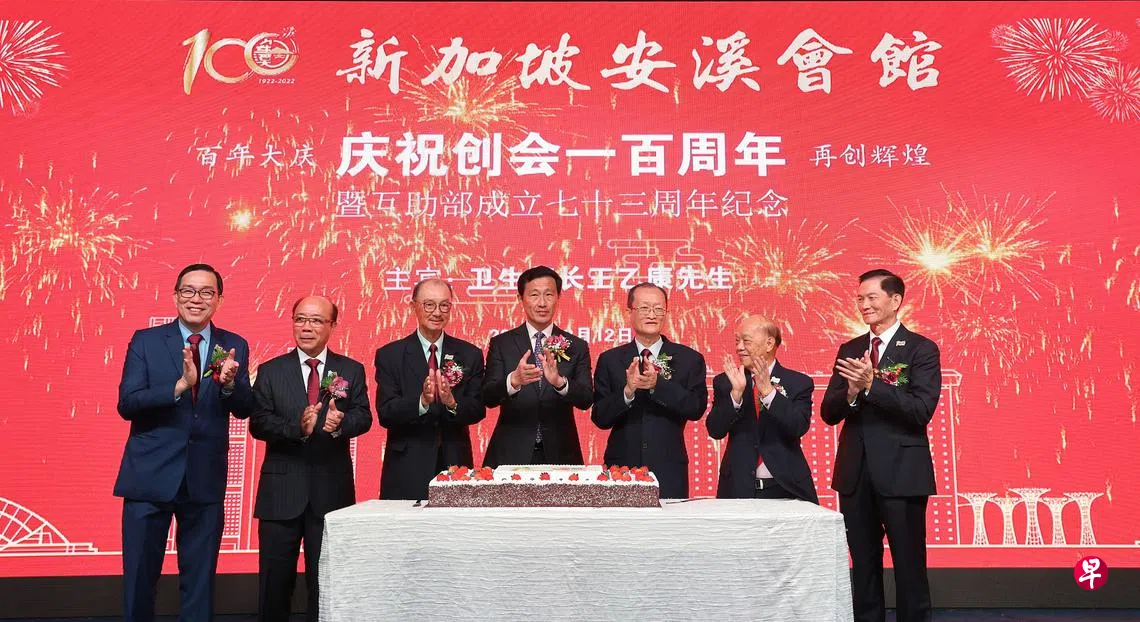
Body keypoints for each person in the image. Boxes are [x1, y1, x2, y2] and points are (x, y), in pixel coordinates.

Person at [115, 263, 254, 622]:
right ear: (176, 296)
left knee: (200, 582)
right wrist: (178, 387)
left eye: (207, 292)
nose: (197, 299)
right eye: (188, 291)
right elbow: (128, 403)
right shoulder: (146, 341)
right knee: (139, 579)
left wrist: (229, 385)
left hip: (204, 477)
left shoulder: (233, 345)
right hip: (149, 477)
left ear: (219, 300)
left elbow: (244, 409)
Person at [821, 269, 941, 622]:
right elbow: (829, 412)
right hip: (855, 474)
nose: (864, 305)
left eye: (872, 297)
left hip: (902, 475)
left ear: (895, 300)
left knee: (909, 564)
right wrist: (852, 392)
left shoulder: (920, 348)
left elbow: (920, 410)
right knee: (863, 565)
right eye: (860, 298)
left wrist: (872, 386)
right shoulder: (851, 349)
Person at [249, 295, 372, 622]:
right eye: (300, 319)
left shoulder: (350, 369)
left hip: (330, 492)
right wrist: (297, 428)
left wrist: (340, 423)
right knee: (274, 586)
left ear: (332, 325)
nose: (307, 327)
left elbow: (364, 417)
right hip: (280, 495)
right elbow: (258, 423)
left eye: (316, 320)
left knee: (326, 585)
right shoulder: (271, 371)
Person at [591, 283, 707, 498]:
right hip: (621, 469)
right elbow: (600, 417)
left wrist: (658, 386)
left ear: (666, 312)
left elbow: (696, 408)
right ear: (629, 312)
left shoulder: (689, 359)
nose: (652, 314)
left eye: (658, 309)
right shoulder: (610, 359)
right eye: (644, 308)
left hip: (669, 468)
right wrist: (628, 391)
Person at [376, 279, 486, 500]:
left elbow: (477, 409)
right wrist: (421, 402)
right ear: (413, 306)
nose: (437, 312)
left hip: (455, 465)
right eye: (429, 305)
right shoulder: (390, 355)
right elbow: (386, 413)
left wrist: (452, 402)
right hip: (406, 468)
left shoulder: (469, 354)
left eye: (444, 305)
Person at [482, 266, 593, 466]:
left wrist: (560, 383)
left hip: (561, 455)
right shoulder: (502, 344)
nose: (542, 303)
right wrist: (513, 381)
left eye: (549, 294)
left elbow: (586, 399)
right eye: (534, 295)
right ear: (520, 298)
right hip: (510, 453)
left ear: (558, 297)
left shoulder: (576, 346)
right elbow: (488, 397)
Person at [705, 316, 818, 503]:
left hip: (786, 487)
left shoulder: (799, 382)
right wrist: (736, 395)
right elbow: (715, 430)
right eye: (737, 341)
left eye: (746, 341)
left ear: (769, 343)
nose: (739, 347)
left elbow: (798, 426)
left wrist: (768, 392)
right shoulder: (726, 381)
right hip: (737, 487)